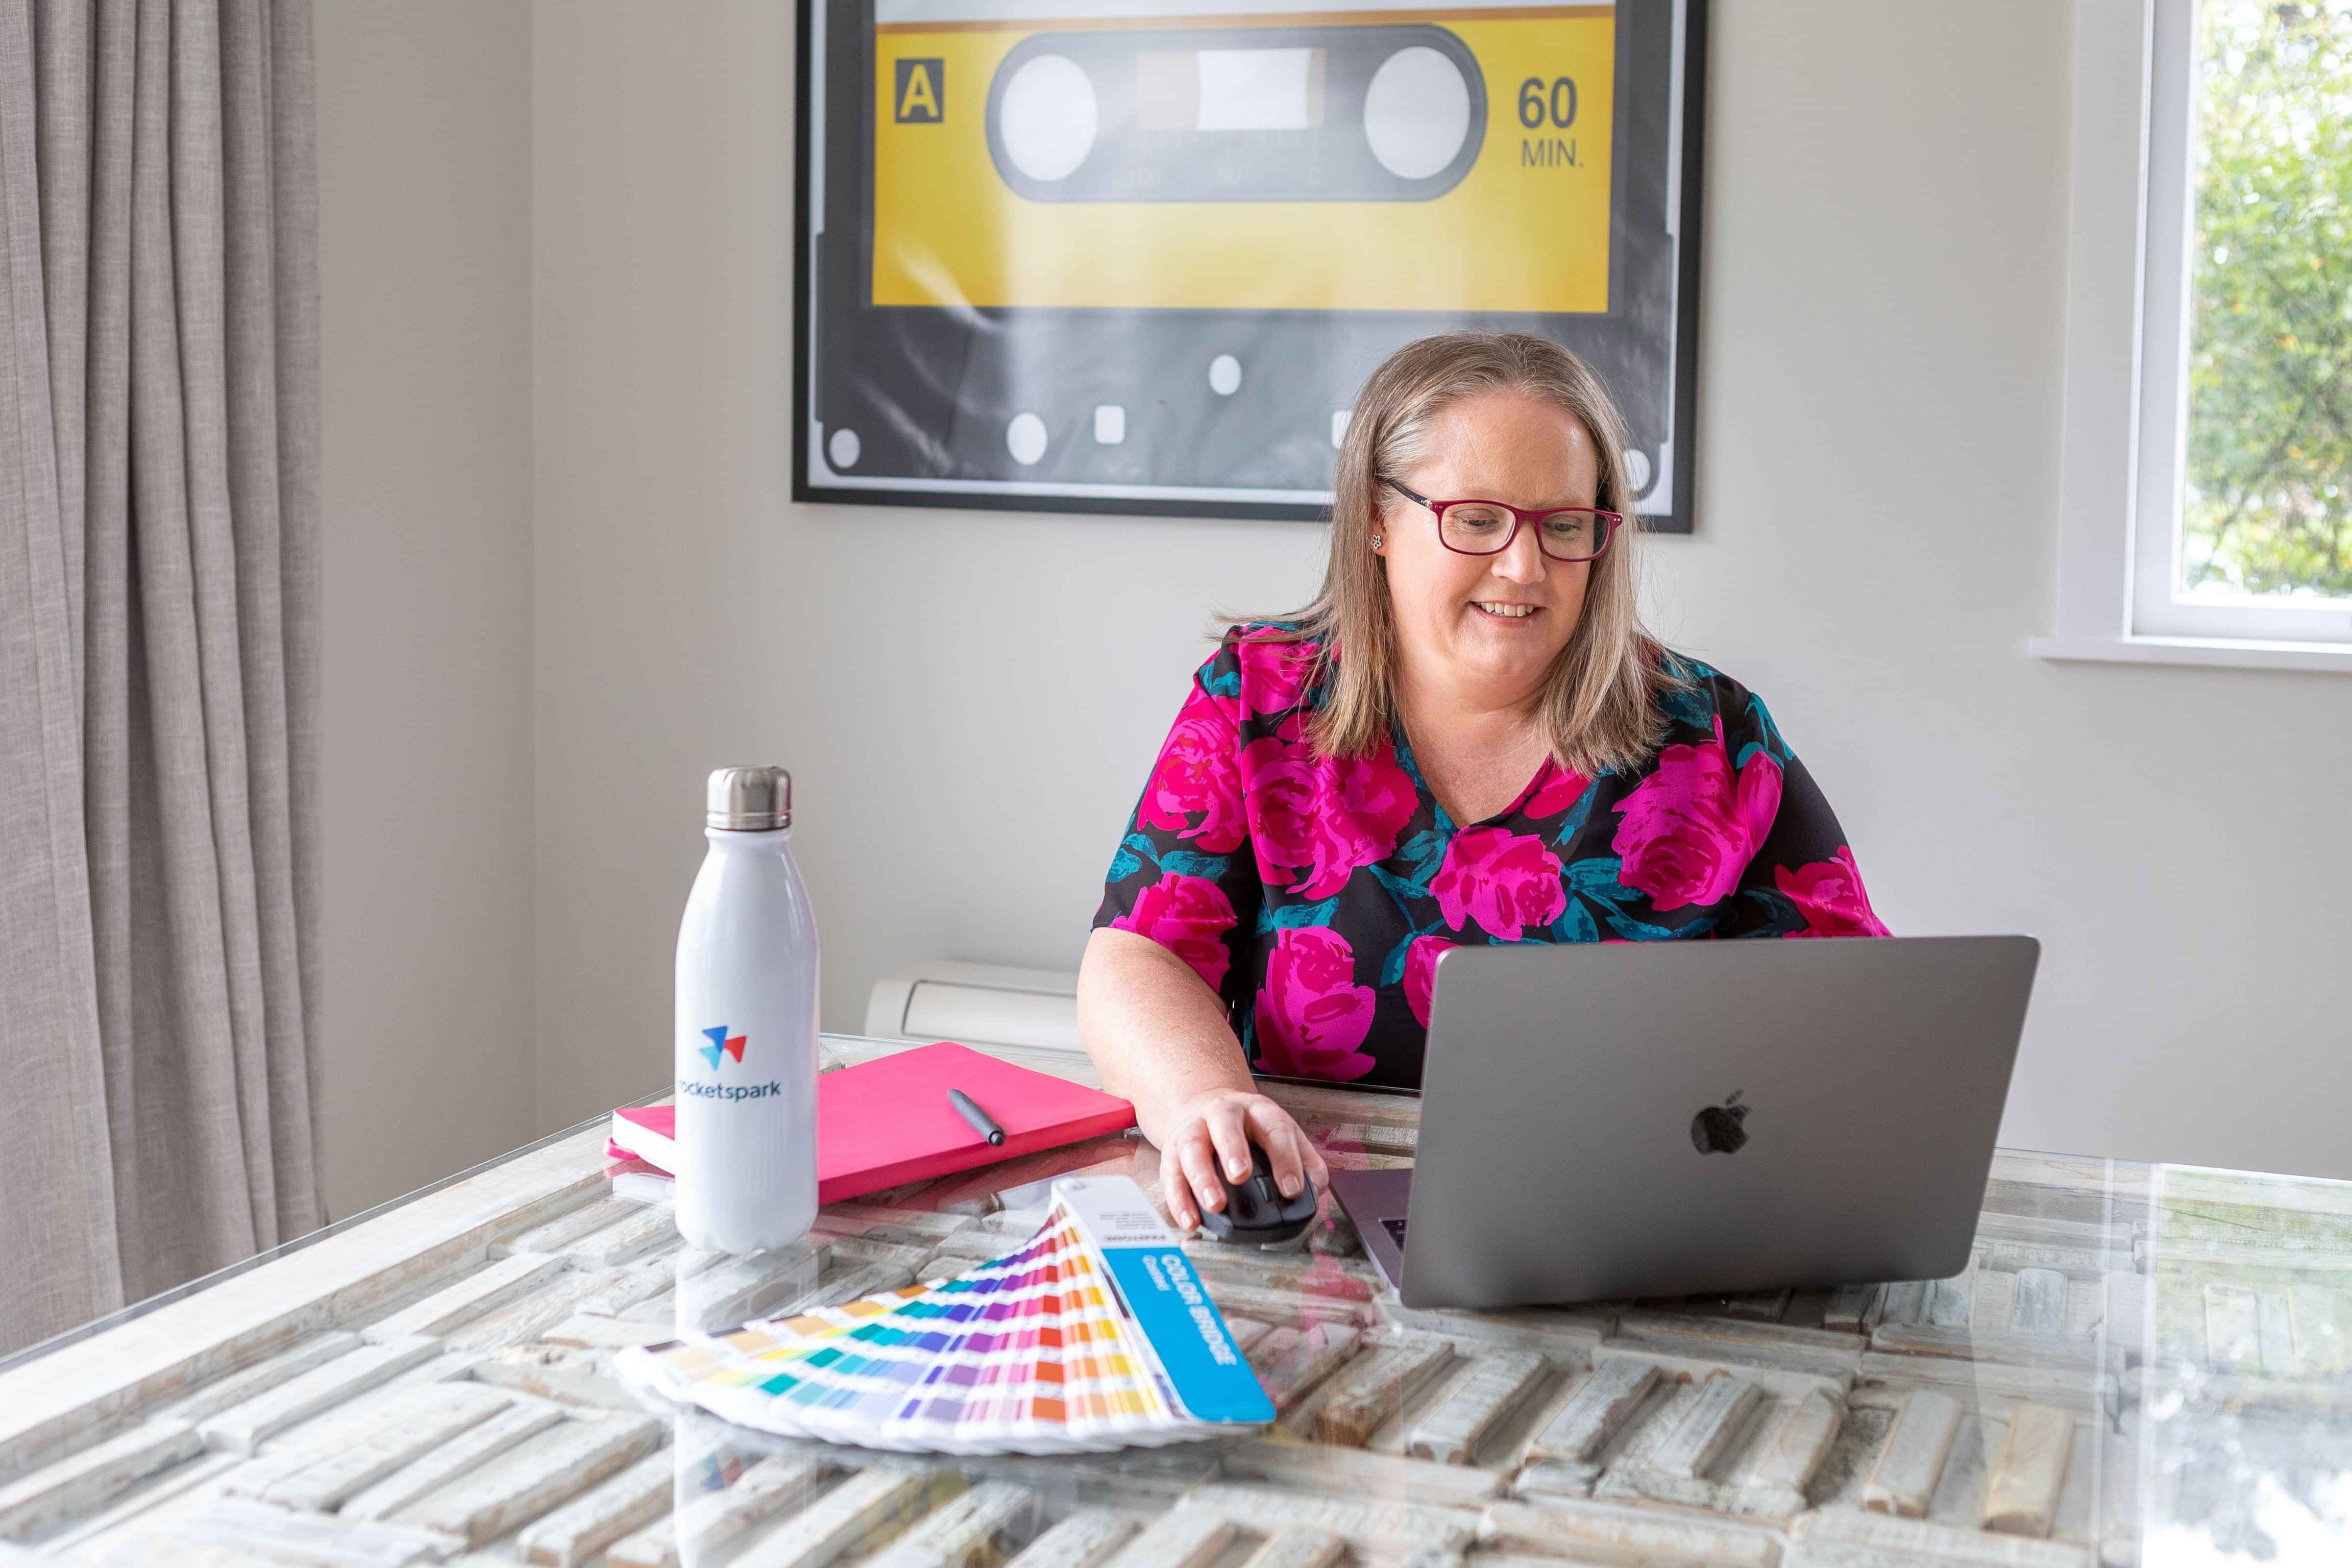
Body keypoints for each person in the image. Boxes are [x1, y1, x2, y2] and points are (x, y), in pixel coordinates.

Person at [1078, 332, 1889, 1234]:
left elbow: (1848, 1016)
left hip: (1629, 1229)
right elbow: (1141, 954)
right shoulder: (1261, 697)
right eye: (1475, 518)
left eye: (1563, 524)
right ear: (1379, 520)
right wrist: (1203, 1101)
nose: (1523, 567)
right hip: (1322, 1231)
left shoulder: (1717, 737)